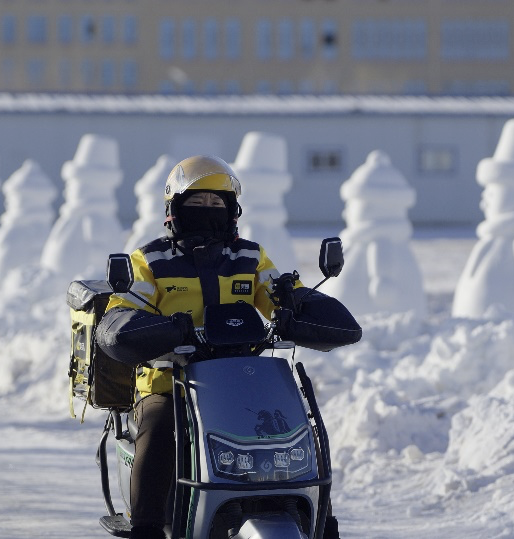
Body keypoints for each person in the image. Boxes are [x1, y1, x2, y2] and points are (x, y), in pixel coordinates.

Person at [95, 155, 362, 539]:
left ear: (232, 209)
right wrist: (162, 329)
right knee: (159, 429)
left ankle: (322, 524)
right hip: (168, 381)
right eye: (197, 202)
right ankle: (148, 527)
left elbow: (280, 291)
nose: (208, 210)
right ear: (174, 208)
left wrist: (295, 308)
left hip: (241, 383)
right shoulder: (149, 260)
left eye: (217, 203)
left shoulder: (250, 257)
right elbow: (121, 314)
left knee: (299, 429)